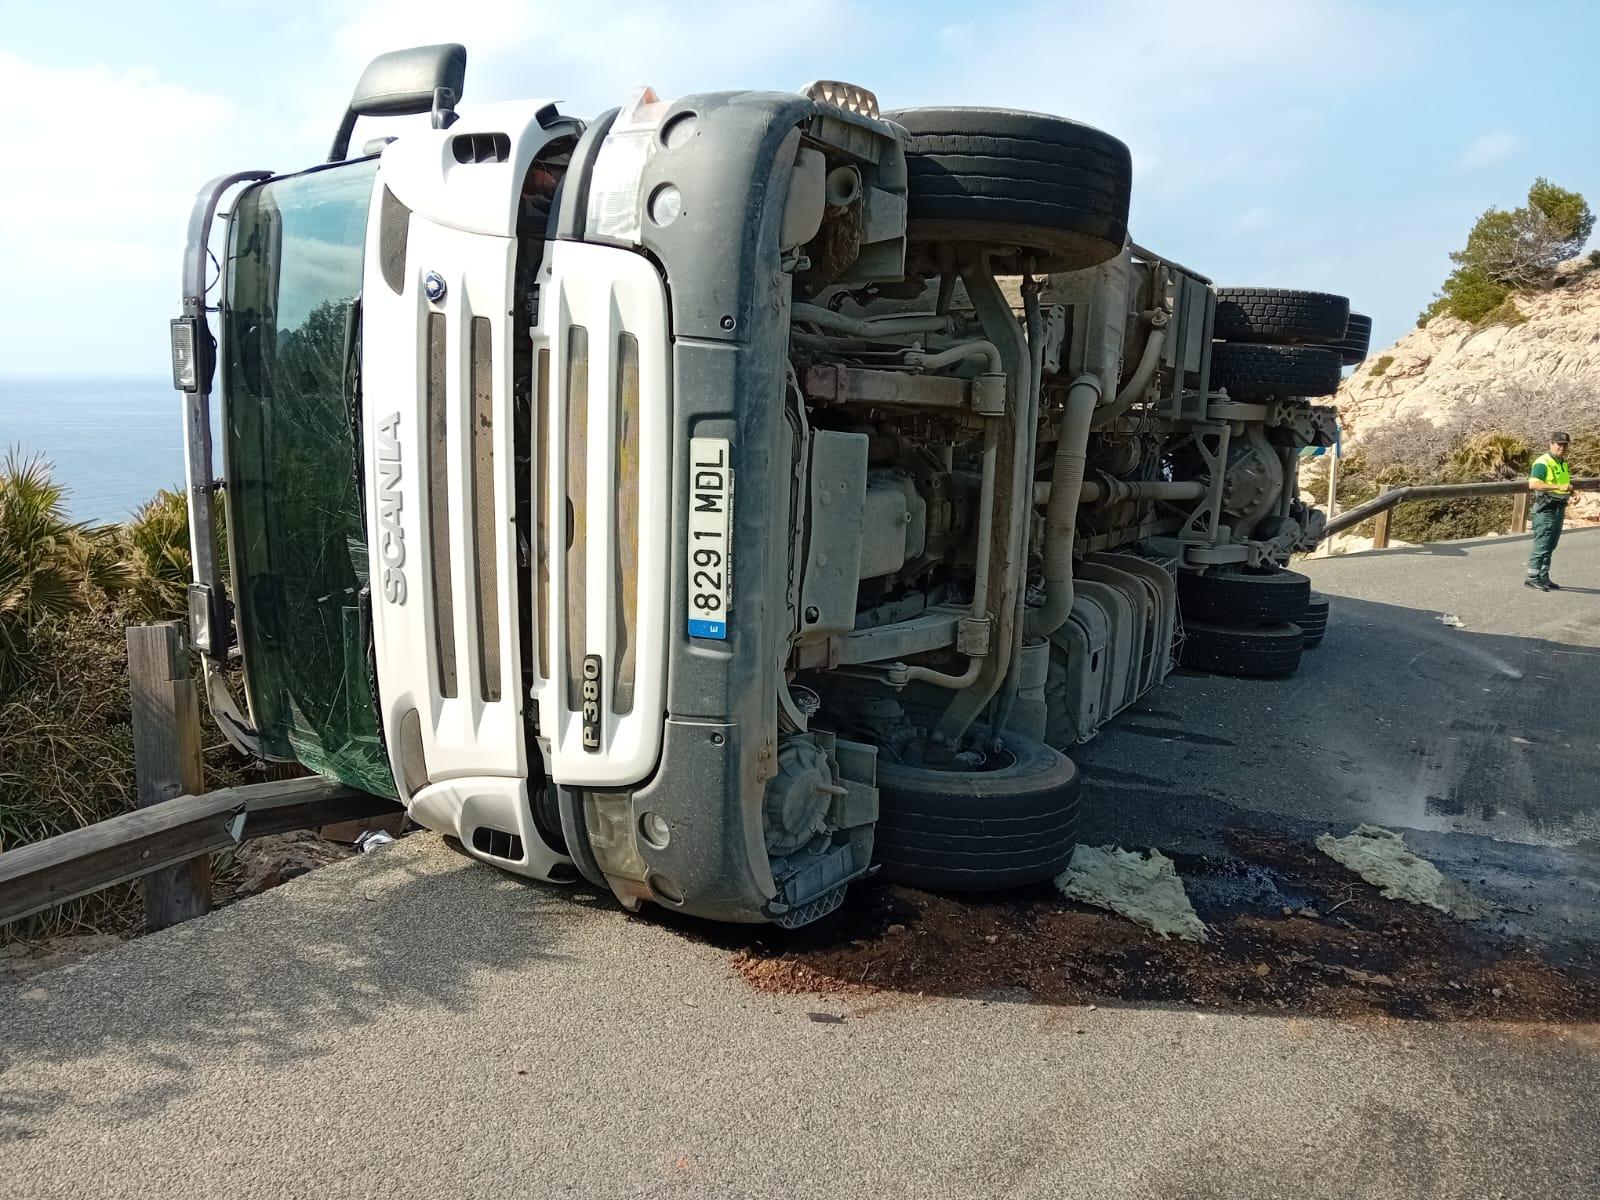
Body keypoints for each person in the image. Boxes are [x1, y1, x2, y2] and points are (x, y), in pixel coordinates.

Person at [1525, 431, 1575, 591]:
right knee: (1542, 544)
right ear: (1551, 444)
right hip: (1546, 508)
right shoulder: (1543, 462)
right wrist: (1559, 487)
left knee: (1550, 545)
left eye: (1565, 445)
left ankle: (1543, 576)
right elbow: (1534, 484)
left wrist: (1572, 492)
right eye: (1559, 444)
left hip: (1559, 507)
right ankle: (1532, 577)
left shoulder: (1562, 462)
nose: (1562, 447)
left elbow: (1564, 484)